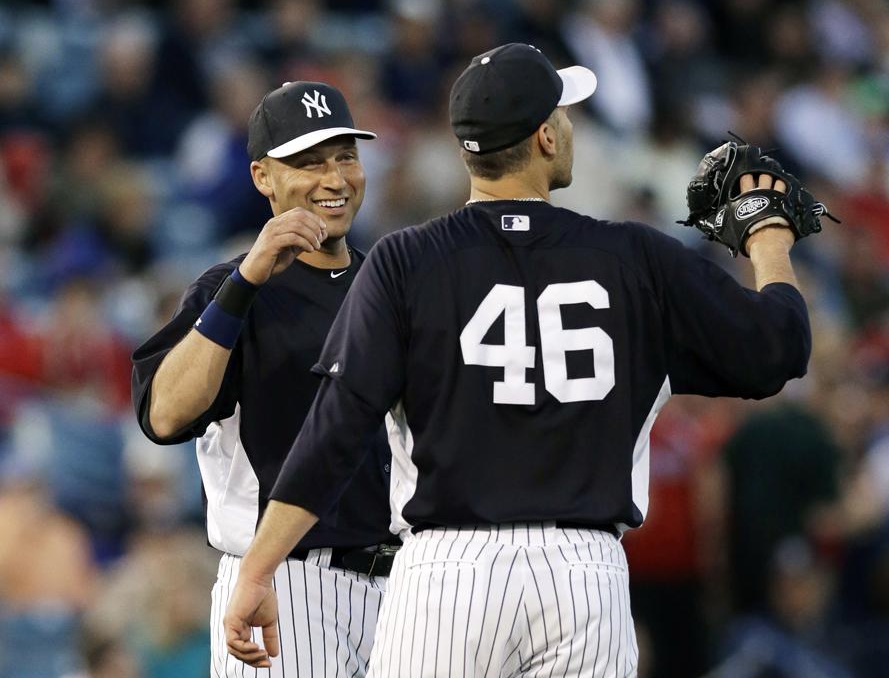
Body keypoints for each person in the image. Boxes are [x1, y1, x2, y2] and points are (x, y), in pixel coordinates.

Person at [224, 44, 812, 677]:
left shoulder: (405, 260)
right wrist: (768, 239)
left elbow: (336, 431)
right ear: (546, 139)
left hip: (447, 575)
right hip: (584, 576)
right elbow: (777, 350)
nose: (568, 126)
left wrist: (258, 569)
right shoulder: (636, 260)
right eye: (563, 115)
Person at [131, 80, 399, 677]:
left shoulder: (390, 282)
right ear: (262, 177)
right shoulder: (224, 290)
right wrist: (244, 285)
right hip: (285, 587)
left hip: (408, 583)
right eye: (308, 163)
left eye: (345, 157)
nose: (334, 179)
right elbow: (164, 415)